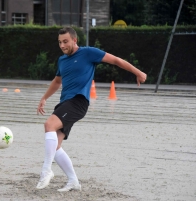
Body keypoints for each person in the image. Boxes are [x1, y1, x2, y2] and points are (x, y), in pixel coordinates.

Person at [36, 26, 147, 192]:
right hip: (65, 103)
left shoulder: (88, 53)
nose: (62, 45)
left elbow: (116, 60)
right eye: (60, 42)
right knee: (56, 146)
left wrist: (138, 72)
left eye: (65, 41)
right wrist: (44, 98)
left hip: (78, 102)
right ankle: (73, 181)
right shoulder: (62, 60)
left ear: (75, 40)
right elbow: (57, 82)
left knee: (49, 125)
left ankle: (46, 171)